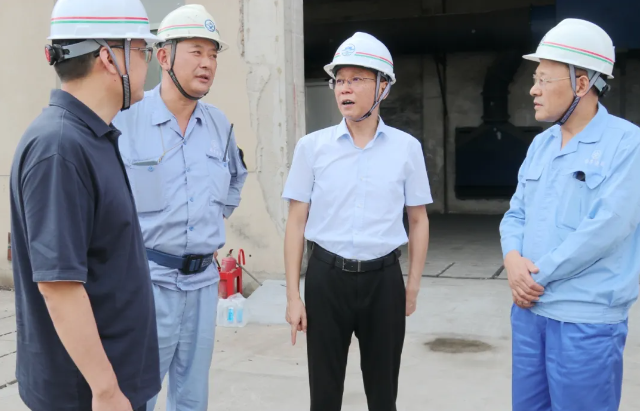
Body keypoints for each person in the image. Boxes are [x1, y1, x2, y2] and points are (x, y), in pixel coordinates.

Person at [8, 0, 161, 410]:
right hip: (85, 394)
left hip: (114, 381)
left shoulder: (91, 136)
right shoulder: (59, 147)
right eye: (142, 50)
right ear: (109, 58)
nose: (147, 63)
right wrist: (106, 390)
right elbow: (59, 286)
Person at [282, 32, 432, 411]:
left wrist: (412, 287)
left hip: (384, 282)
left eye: (356, 79)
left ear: (383, 87)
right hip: (326, 278)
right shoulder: (311, 148)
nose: (344, 88)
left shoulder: (406, 149)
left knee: (383, 395)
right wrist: (293, 296)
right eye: (339, 80)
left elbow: (418, 220)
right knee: (324, 394)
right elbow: (296, 222)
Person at [500, 18, 640, 411]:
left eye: (544, 79)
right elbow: (515, 213)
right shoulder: (541, 145)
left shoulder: (627, 144)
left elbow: (609, 226)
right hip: (529, 313)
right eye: (535, 79)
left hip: (586, 318)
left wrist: (535, 276)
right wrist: (512, 260)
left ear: (581, 84)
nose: (533, 89)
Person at [112, 5, 247, 410]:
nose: (207, 64)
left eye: (213, 54)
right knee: (138, 395)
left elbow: (235, 178)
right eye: (196, 52)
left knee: (191, 397)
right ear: (164, 56)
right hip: (147, 283)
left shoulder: (219, 125)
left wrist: (207, 220)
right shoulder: (126, 121)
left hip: (202, 284)